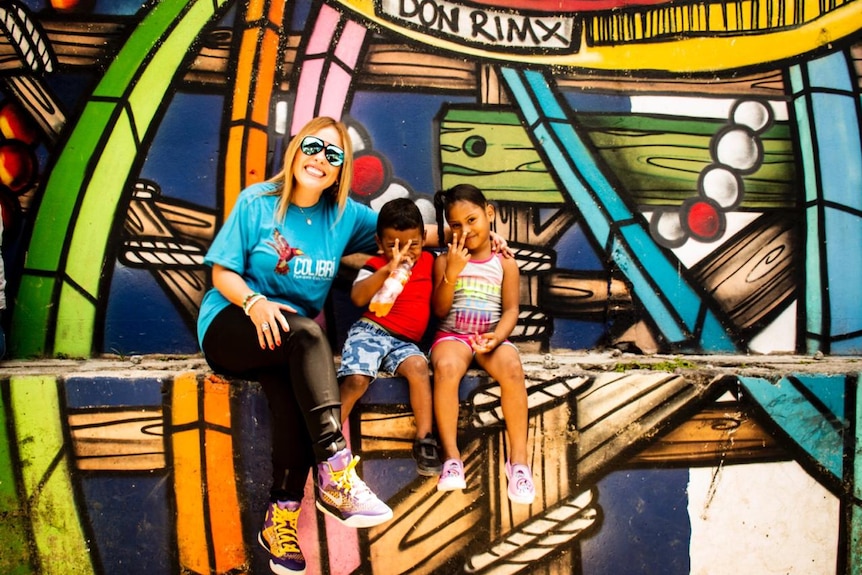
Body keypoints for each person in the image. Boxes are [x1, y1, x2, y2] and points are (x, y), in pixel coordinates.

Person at [197, 116, 393, 575]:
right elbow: (221, 272)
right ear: (294, 150)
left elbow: (402, 232)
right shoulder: (257, 202)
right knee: (309, 333)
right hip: (234, 325)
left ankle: (281, 516)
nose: (320, 159)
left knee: (290, 397)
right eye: (313, 146)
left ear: (341, 169)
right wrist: (254, 301)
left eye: (334, 154)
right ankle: (336, 471)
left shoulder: (343, 215)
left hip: (285, 345)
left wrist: (471, 237)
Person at [430, 183, 535, 505]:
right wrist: (452, 271)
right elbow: (439, 310)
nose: (465, 230)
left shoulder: (505, 263)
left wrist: (498, 336)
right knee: (447, 368)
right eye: (456, 224)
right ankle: (451, 460)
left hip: (490, 335)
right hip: (453, 336)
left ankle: (519, 464)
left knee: (513, 370)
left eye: (472, 219)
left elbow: (512, 309)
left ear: (489, 213)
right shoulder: (445, 260)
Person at [337, 198, 441, 477]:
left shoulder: (430, 261)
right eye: (394, 244)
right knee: (357, 379)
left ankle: (425, 439)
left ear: (423, 239)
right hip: (371, 331)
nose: (405, 252)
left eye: (413, 244)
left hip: (405, 343)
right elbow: (358, 296)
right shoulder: (375, 263)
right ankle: (328, 439)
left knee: (419, 367)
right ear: (380, 243)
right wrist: (388, 268)